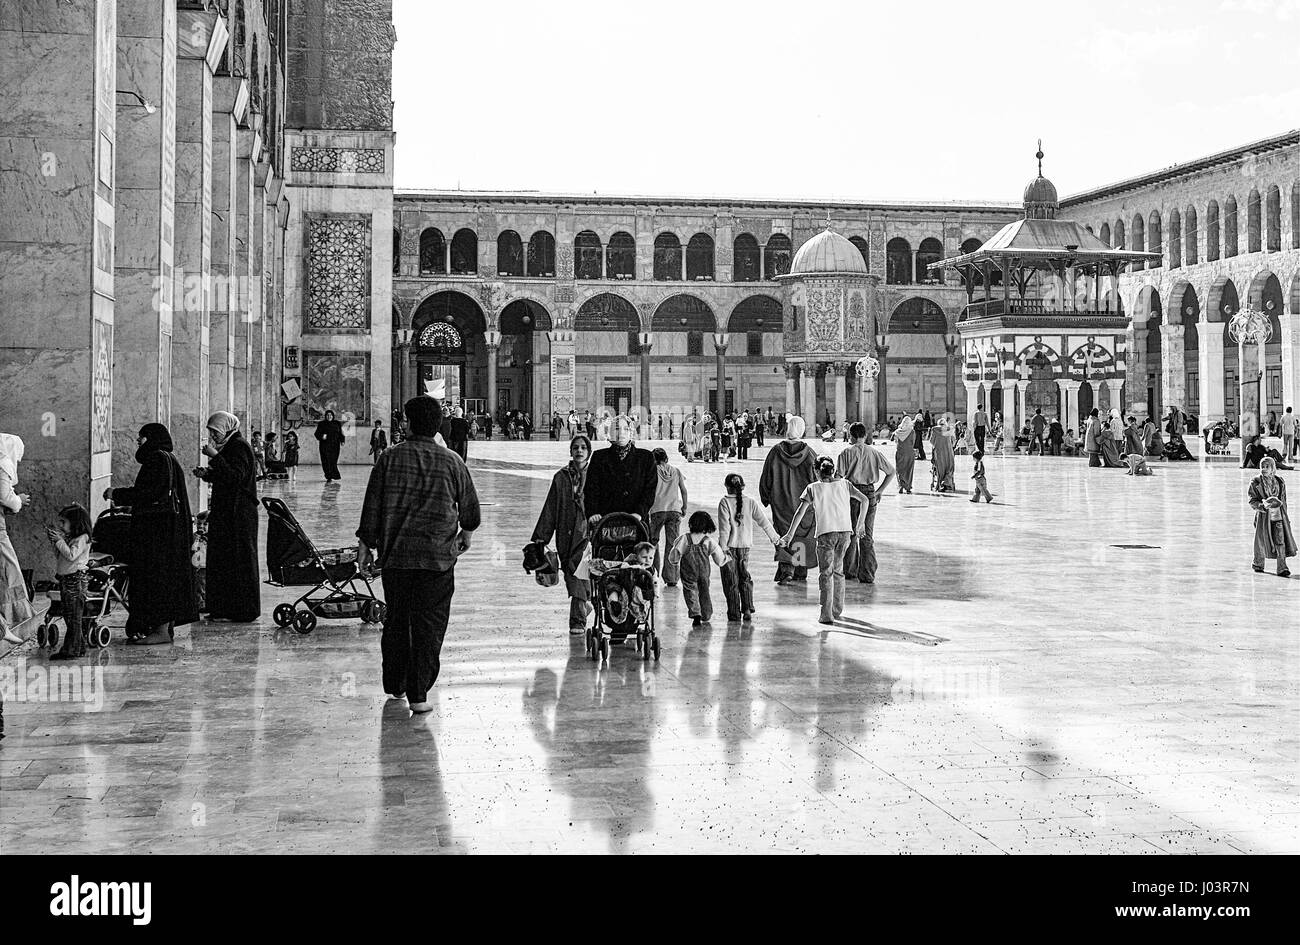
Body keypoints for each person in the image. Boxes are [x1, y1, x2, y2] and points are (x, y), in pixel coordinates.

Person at [358, 396, 480, 712]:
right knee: (428, 624)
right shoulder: (453, 461)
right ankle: (419, 692)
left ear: (408, 423)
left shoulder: (388, 459)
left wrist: (364, 547)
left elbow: (372, 507)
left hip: (397, 558)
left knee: (398, 619)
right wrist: (465, 535)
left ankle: (396, 684)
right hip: (437, 560)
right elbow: (470, 509)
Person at [107, 423, 199, 643]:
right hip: (167, 531)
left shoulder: (157, 458)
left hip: (159, 534)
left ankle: (160, 631)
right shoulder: (167, 458)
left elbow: (149, 493)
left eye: (141, 437)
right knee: (162, 578)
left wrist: (116, 494)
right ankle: (162, 629)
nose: (138, 441)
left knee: (156, 578)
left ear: (151, 438)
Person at [779, 455, 869, 625]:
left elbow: (800, 512)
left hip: (826, 533)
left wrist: (790, 535)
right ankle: (837, 609)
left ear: (816, 471)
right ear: (833, 469)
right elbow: (865, 500)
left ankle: (826, 614)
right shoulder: (845, 484)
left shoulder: (812, 488)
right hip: (845, 533)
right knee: (838, 570)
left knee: (825, 573)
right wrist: (860, 524)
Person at [191, 412, 259, 623]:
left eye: (215, 432)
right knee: (223, 561)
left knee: (240, 560)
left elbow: (237, 477)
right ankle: (222, 608)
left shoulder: (239, 446)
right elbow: (226, 475)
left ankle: (243, 610)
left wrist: (215, 457)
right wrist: (208, 474)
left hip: (239, 514)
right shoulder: (231, 446)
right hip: (226, 513)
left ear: (227, 429)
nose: (212, 436)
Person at [532, 435, 594, 634]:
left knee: (580, 572)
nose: (579, 450)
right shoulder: (561, 477)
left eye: (583, 447)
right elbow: (551, 507)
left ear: (589, 451)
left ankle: (577, 620)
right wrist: (542, 538)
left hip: (587, 533)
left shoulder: (596, 474)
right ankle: (585, 605)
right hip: (566, 532)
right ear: (570, 451)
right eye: (575, 447)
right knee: (570, 573)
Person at [759, 415, 818, 585]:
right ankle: (800, 571)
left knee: (785, 535)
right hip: (804, 505)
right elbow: (818, 479)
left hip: (781, 503)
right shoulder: (809, 454)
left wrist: (766, 497)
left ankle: (787, 570)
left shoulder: (776, 452)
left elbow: (766, 478)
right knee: (802, 535)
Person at [836, 422, 895, 584]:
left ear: (852, 436)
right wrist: (879, 491)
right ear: (864, 436)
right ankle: (867, 573)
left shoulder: (845, 453)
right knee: (867, 535)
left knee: (851, 533)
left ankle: (850, 570)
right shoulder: (874, 453)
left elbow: (837, 477)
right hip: (869, 494)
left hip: (851, 494)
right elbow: (891, 472)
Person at [717, 473, 781, 621]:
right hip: (745, 547)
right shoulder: (750, 502)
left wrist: (722, 547)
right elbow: (764, 522)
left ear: (726, 486)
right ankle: (747, 608)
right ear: (743, 487)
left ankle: (734, 613)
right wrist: (775, 539)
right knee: (744, 576)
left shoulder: (724, 502)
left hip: (729, 548)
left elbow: (724, 529)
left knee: (730, 580)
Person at [584, 415, 657, 526]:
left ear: (631, 432)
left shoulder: (645, 457)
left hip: (636, 522)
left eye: (626, 429)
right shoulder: (599, 457)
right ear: (610, 432)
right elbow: (591, 488)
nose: (621, 432)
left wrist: (639, 512)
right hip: (606, 522)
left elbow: (650, 490)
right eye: (617, 428)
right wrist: (593, 512)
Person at [666, 511, 730, 626]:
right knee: (704, 591)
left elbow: (674, 555)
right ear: (708, 526)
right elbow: (719, 558)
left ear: (691, 524)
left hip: (688, 571)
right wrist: (727, 558)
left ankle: (695, 613)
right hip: (704, 572)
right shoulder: (708, 541)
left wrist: (674, 561)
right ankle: (706, 614)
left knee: (690, 591)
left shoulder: (684, 538)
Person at [0, 434, 35, 645]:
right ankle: (13, 619)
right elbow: (4, 495)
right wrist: (18, 501)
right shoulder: (3, 465)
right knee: (8, 569)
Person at [46, 504, 92, 659]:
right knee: (69, 615)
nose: (61, 525)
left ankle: (71, 650)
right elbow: (61, 556)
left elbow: (71, 555)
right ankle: (79, 647)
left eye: (63, 522)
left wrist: (60, 541)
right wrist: (56, 542)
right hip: (66, 580)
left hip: (76, 580)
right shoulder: (71, 538)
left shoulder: (82, 538)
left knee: (74, 617)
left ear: (75, 523)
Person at [1248, 457, 1295, 577]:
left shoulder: (1280, 481)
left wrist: (1285, 516)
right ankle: (1258, 563)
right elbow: (1252, 500)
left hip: (1279, 516)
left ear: (1273, 468)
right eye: (1262, 466)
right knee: (1260, 541)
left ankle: (1282, 567)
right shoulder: (1256, 482)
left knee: (1280, 541)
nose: (1263, 469)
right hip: (1263, 517)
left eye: (1267, 467)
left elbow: (1284, 500)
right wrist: (1262, 505)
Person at [648, 447, 688, 586]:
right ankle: (671, 578)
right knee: (672, 544)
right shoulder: (676, 471)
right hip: (674, 510)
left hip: (656, 510)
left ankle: (653, 573)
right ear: (666, 458)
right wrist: (684, 506)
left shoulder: (652, 471)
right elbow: (683, 490)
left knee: (652, 543)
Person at [314, 409, 345, 481]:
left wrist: (342, 440)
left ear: (333, 416)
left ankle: (334, 475)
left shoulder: (337, 423)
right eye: (327, 415)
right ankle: (328, 476)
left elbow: (341, 433)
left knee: (333, 461)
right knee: (326, 461)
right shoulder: (321, 424)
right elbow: (316, 434)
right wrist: (322, 436)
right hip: (324, 446)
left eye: (330, 415)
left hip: (335, 445)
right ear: (325, 416)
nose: (329, 416)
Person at [929, 417, 956, 491]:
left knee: (940, 467)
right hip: (948, 452)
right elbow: (953, 441)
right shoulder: (949, 429)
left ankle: (941, 482)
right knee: (950, 467)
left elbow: (931, 441)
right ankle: (947, 482)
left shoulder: (934, 430)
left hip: (938, 452)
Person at [893, 414, 916, 494]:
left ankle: (901, 486)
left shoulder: (897, 432)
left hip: (900, 451)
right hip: (909, 452)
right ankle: (908, 487)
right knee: (909, 469)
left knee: (900, 469)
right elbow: (913, 442)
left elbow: (895, 441)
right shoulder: (912, 432)